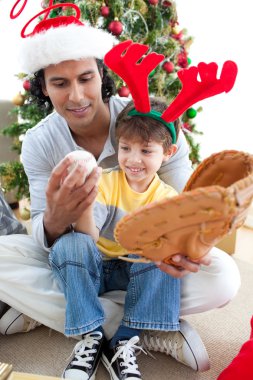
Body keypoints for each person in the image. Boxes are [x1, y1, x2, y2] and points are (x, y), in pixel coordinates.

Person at [0, 3, 240, 376]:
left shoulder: (150, 122)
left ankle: (65, 313)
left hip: (147, 260)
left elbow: (185, 208)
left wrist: (187, 244)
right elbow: (42, 234)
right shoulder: (40, 141)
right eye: (60, 84)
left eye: (85, 78)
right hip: (82, 254)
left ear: (102, 74)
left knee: (224, 278)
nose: (77, 96)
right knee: (12, 254)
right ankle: (136, 327)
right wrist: (56, 217)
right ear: (44, 88)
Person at [50, 97, 183, 379]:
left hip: (134, 272)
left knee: (166, 250)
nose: (133, 160)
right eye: (125, 148)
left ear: (168, 152)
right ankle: (91, 334)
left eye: (146, 151)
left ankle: (125, 339)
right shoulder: (107, 182)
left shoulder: (168, 199)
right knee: (69, 243)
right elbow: (88, 237)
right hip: (96, 268)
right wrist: (84, 202)